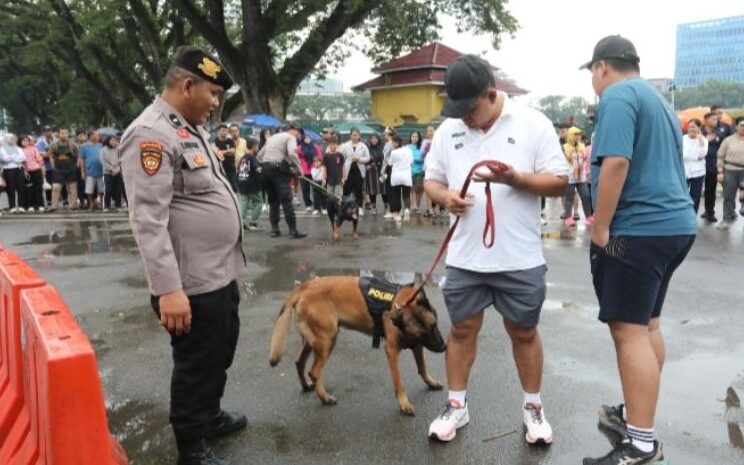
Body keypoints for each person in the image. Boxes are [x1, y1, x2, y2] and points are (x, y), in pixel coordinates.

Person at [424, 54, 568, 445]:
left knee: (523, 332)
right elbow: (431, 181)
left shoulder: (532, 123)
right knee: (462, 329)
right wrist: (446, 197)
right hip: (466, 257)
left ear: (491, 93)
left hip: (519, 257)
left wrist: (517, 178)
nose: (463, 118)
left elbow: (559, 181)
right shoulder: (449, 130)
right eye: (456, 110)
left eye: (468, 108)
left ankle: (533, 407)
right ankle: (456, 404)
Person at [119, 46, 247, 465]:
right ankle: (192, 446)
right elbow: (148, 221)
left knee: (220, 352)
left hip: (218, 274)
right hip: (189, 284)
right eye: (212, 94)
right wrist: (169, 291)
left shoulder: (189, 130)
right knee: (196, 365)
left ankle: (209, 416)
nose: (215, 104)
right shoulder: (151, 134)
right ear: (187, 84)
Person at [580, 35, 696, 465]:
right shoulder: (659, 101)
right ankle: (634, 414)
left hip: (637, 230)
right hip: (675, 226)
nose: (593, 80)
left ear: (602, 67)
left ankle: (641, 443)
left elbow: (616, 162)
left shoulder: (617, 96)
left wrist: (602, 227)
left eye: (592, 72)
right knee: (647, 326)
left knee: (628, 331)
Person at [258, 124, 307, 238]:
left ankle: (275, 230)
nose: (298, 136)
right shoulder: (290, 137)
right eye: (298, 133)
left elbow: (260, 155)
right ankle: (293, 230)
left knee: (273, 201)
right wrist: (300, 169)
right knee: (286, 200)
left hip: (266, 170)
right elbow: (292, 153)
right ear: (293, 130)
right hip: (278, 171)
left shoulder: (273, 138)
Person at [563, 127, 594, 226]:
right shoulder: (565, 147)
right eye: (575, 134)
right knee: (569, 198)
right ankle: (568, 217)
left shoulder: (582, 146)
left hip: (581, 176)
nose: (578, 137)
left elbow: (584, 158)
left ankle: (588, 216)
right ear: (571, 136)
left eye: (579, 134)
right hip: (570, 176)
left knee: (586, 196)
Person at [717, 119, 744, 228]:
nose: (743, 128)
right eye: (742, 125)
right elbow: (720, 157)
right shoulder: (728, 140)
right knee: (728, 197)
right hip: (730, 171)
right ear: (736, 127)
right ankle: (726, 219)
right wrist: (720, 172)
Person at [48, 128, 79, 212]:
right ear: (59, 134)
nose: (64, 135)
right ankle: (54, 206)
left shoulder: (73, 145)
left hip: (71, 169)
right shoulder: (54, 145)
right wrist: (53, 167)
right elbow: (50, 156)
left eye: (65, 133)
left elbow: (78, 156)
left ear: (68, 134)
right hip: (58, 170)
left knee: (72, 188)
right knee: (56, 188)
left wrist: (76, 166)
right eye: (62, 133)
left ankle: (73, 206)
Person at [340, 128, 370, 215]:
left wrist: (359, 158)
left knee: (359, 190)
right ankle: (346, 207)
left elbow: (367, 158)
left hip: (359, 171)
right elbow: (342, 158)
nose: (355, 137)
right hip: (348, 171)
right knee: (347, 190)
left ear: (359, 136)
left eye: (356, 135)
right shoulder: (345, 145)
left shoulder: (363, 146)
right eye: (353, 135)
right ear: (350, 135)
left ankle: (359, 207)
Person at [701, 112, 723, 222]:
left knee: (711, 190)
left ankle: (710, 212)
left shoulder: (718, 132)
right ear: (706, 120)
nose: (716, 121)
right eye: (713, 119)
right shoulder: (699, 131)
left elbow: (721, 148)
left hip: (712, 165)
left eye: (716, 119)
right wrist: (706, 140)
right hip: (699, 164)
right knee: (696, 190)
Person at [682, 119, 708, 214]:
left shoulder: (703, 140)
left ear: (698, 128)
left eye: (693, 126)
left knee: (695, 197)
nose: (691, 129)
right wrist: (695, 157)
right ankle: (683, 216)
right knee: (682, 195)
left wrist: (700, 140)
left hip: (698, 172)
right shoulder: (683, 139)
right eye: (689, 127)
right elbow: (681, 154)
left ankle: (693, 216)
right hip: (684, 171)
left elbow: (702, 154)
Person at [237, 138, 263, 231]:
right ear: (254, 147)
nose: (258, 148)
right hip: (252, 183)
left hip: (242, 181)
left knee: (244, 202)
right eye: (257, 146)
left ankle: (242, 222)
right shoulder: (252, 157)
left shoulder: (243, 157)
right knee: (258, 202)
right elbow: (257, 169)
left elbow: (238, 169)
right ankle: (254, 222)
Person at [387, 134, 412, 222]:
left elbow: (390, 163)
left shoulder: (394, 152)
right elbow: (411, 161)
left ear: (395, 143)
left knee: (396, 195)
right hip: (406, 175)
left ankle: (397, 213)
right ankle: (407, 209)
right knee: (406, 195)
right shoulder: (408, 150)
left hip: (396, 175)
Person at [0, 134, 27, 213]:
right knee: (11, 188)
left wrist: (13, 157)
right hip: (8, 170)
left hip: (19, 169)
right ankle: (12, 206)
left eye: (15, 139)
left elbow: (23, 158)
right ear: (7, 140)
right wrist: (16, 157)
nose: (13, 141)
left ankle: (21, 206)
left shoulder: (19, 148)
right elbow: (5, 159)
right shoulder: (2, 149)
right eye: (11, 139)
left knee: (21, 187)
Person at [79, 131, 105, 212]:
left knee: (102, 189)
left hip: (101, 171)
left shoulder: (100, 145)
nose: (98, 136)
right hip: (89, 171)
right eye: (96, 135)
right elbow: (81, 159)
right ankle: (91, 204)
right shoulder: (83, 146)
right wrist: (82, 171)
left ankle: (102, 203)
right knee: (89, 190)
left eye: (98, 135)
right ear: (90, 136)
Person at [20, 135, 46, 212]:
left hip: (37, 170)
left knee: (39, 188)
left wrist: (42, 168)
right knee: (29, 189)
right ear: (20, 141)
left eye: (27, 141)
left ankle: (40, 204)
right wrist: (24, 171)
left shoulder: (34, 149)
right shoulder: (20, 150)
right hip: (27, 172)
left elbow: (39, 159)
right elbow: (21, 162)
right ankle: (30, 205)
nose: (26, 142)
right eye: (24, 141)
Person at [297, 133, 320, 212]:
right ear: (303, 139)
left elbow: (320, 157)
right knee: (304, 190)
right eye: (305, 138)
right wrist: (299, 170)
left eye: (308, 138)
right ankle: (308, 204)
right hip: (303, 172)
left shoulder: (315, 147)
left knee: (316, 189)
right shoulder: (299, 149)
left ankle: (318, 205)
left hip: (314, 171)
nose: (307, 139)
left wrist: (318, 165)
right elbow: (296, 160)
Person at [101, 136, 124, 211]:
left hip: (117, 172)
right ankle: (106, 206)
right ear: (108, 141)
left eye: (115, 140)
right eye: (112, 140)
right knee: (108, 189)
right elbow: (103, 162)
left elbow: (121, 160)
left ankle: (118, 205)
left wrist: (117, 169)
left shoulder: (118, 149)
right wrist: (112, 170)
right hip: (107, 173)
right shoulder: (103, 150)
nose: (113, 142)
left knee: (118, 189)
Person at [214, 124, 237, 191]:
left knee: (233, 187)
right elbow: (217, 154)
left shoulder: (230, 141)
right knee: (221, 188)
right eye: (223, 131)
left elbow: (233, 152)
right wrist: (227, 151)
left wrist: (222, 152)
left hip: (231, 168)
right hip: (219, 169)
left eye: (226, 131)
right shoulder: (215, 141)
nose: (225, 133)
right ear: (218, 132)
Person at [36, 126, 55, 205]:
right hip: (46, 167)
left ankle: (60, 200)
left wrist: (48, 153)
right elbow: (42, 154)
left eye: (50, 130)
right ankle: (49, 200)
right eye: (47, 131)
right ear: (43, 132)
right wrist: (49, 154)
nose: (49, 132)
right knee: (48, 184)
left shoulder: (55, 140)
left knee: (57, 184)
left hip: (56, 166)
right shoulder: (40, 142)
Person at [421, 125, 437, 217]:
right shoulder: (425, 141)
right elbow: (421, 154)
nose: (430, 132)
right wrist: (426, 150)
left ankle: (436, 208)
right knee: (428, 188)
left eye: (431, 130)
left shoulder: (439, 140)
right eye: (428, 131)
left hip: (438, 167)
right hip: (427, 167)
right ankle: (430, 209)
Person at [365, 133, 384, 213]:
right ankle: (373, 207)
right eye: (372, 138)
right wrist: (368, 165)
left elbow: (384, 158)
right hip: (371, 172)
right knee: (372, 190)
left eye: (375, 138)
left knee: (384, 189)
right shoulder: (367, 148)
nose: (374, 140)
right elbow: (366, 158)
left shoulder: (382, 147)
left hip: (381, 170)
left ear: (378, 139)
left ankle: (386, 206)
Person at [409, 131, 425, 215]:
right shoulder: (407, 147)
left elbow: (422, 158)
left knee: (419, 189)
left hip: (419, 171)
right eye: (413, 136)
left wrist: (413, 159)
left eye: (416, 137)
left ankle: (417, 207)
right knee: (412, 189)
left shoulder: (422, 147)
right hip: (410, 170)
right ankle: (414, 205)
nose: (414, 138)